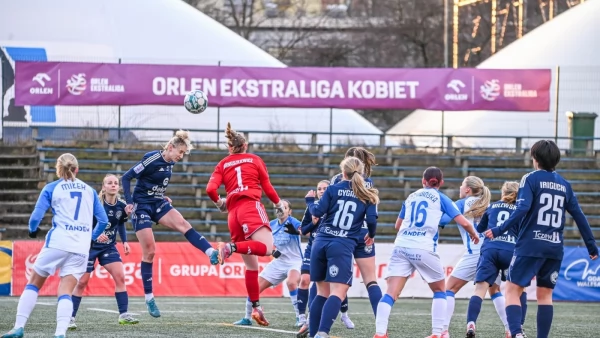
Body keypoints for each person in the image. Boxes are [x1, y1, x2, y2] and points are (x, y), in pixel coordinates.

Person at [485, 140, 598, 338]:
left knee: (512, 289)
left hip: (530, 245)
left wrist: (499, 229)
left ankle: (517, 334)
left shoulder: (530, 179)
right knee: (545, 295)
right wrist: (591, 246)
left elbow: (522, 209)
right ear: (556, 160)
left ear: (535, 158)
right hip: (554, 247)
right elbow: (579, 216)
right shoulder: (565, 185)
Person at [1, 153, 109, 338]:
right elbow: (103, 220)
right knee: (66, 291)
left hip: (58, 242)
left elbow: (36, 217)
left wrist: (32, 230)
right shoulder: (89, 191)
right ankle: (60, 333)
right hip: (81, 248)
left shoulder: (52, 188)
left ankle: (19, 327)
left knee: (34, 283)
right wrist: (90, 238)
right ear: (77, 169)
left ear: (58, 169)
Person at [374, 167, 479, 338]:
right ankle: (437, 333)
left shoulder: (411, 197)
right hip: (423, 247)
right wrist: (474, 234)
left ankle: (379, 333)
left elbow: (397, 226)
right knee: (440, 290)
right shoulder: (441, 198)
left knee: (390, 293)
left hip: (401, 246)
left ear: (423, 181)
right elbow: (464, 222)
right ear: (441, 182)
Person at [121, 130, 218, 318]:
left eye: (183, 153)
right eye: (180, 152)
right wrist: (130, 201)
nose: (181, 156)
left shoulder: (171, 162)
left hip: (158, 203)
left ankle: (210, 252)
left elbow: (154, 184)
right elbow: (126, 178)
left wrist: (160, 195)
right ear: (170, 147)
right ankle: (149, 298)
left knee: (183, 224)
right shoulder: (151, 159)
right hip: (141, 207)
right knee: (149, 251)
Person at [206, 122, 285, 327]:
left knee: (251, 268)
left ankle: (256, 308)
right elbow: (267, 186)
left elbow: (210, 189)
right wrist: (278, 204)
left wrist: (219, 203)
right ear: (245, 145)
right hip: (251, 206)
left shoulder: (223, 164)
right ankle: (230, 248)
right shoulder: (255, 160)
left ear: (230, 148)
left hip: (233, 214)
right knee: (267, 248)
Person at [306, 156, 379, 338]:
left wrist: (309, 202)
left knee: (321, 291)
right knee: (338, 291)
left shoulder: (332, 189)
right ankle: (322, 333)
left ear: (342, 172)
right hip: (342, 244)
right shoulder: (367, 193)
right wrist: (371, 233)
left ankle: (314, 333)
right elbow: (371, 219)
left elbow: (316, 212)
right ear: (361, 173)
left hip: (320, 242)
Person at [68, 174, 138, 330]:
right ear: (103, 186)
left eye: (115, 183)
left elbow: (120, 224)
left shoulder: (121, 205)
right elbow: (82, 223)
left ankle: (124, 315)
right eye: (109, 183)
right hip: (89, 246)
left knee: (120, 277)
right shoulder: (95, 204)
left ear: (118, 187)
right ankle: (70, 317)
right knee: (82, 282)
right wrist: (95, 233)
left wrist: (124, 241)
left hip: (109, 246)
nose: (113, 185)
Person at [441, 176, 500, 337]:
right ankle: (511, 330)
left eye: (462, 185)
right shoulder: (488, 204)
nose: (460, 188)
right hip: (491, 252)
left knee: (449, 289)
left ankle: (443, 330)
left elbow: (442, 221)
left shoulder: (461, 204)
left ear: (467, 189)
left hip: (474, 253)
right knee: (494, 291)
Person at [296, 180, 354, 336]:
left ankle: (343, 314)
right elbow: (304, 230)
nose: (321, 191)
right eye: (319, 188)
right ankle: (306, 319)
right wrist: (313, 223)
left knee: (333, 286)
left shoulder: (335, 204)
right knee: (312, 283)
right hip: (315, 248)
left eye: (325, 188)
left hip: (330, 247)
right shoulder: (313, 207)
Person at [232, 200, 303, 326]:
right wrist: (272, 251)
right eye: (279, 207)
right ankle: (247, 318)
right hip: (279, 262)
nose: (280, 209)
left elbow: (306, 231)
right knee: (254, 287)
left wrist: (297, 231)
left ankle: (300, 318)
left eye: (284, 207)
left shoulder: (293, 221)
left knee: (291, 282)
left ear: (289, 211)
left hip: (294, 262)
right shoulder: (271, 225)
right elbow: (265, 243)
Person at [331, 147, 382, 317]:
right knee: (371, 280)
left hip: (341, 234)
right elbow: (372, 214)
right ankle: (381, 325)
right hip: (364, 234)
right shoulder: (369, 183)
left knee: (328, 283)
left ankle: (313, 321)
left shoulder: (337, 180)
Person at [465, 181, 520, 338]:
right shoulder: (520, 210)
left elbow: (481, 229)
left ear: (503, 192)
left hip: (490, 249)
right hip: (510, 251)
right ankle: (514, 329)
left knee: (480, 290)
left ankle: (471, 323)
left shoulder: (492, 207)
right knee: (513, 292)